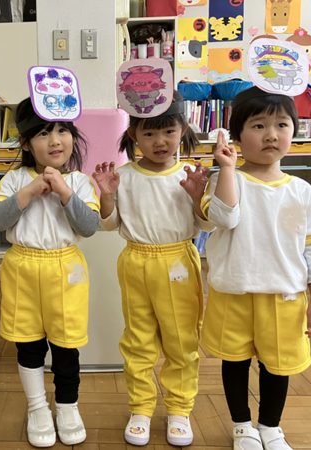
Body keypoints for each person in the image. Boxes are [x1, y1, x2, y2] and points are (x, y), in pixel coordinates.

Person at [201, 86, 311, 450]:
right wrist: (226, 169)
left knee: (278, 365)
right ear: (237, 136)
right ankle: (242, 426)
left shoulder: (301, 191)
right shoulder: (227, 180)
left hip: (285, 296)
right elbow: (224, 218)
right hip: (234, 292)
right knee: (235, 361)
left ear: (295, 131)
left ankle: (271, 426)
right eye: (258, 126)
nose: (271, 134)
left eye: (281, 124)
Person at [94, 84, 214, 446]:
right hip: (136, 261)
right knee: (138, 339)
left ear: (183, 130)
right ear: (133, 134)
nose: (160, 141)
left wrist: (198, 197)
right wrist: (107, 195)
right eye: (149, 133)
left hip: (179, 262)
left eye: (168, 131)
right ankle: (141, 408)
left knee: (181, 340)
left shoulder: (189, 175)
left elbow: (206, 225)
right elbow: (110, 225)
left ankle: (179, 409)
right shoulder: (124, 176)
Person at [0, 86, 99, 447]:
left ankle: (67, 407)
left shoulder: (80, 181)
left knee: (67, 346)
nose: (55, 140)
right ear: (25, 142)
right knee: (29, 344)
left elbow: (89, 226)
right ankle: (37, 407)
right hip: (22, 267)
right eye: (42, 133)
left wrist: (65, 192)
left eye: (62, 130)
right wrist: (30, 190)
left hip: (66, 271)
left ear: (73, 136)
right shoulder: (13, 179)